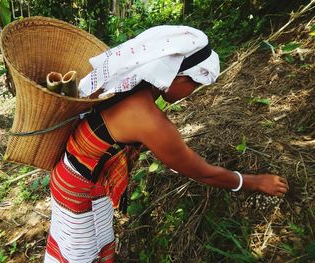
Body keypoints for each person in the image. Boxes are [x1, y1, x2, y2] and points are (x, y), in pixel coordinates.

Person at [44, 25, 288, 263]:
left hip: (73, 173)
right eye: (194, 83)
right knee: (83, 254)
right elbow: (204, 173)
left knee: (80, 245)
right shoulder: (148, 119)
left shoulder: (125, 84)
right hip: (80, 189)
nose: (192, 91)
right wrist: (254, 182)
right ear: (175, 74)